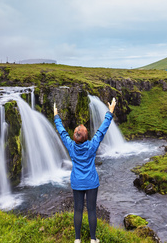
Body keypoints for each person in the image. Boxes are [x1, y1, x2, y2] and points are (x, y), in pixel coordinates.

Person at [54, 97, 116, 243]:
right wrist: (110, 112)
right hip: (91, 182)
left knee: (78, 209)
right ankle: (93, 239)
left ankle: (77, 239)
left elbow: (62, 132)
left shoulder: (70, 145)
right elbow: (102, 130)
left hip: (77, 181)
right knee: (92, 210)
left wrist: (56, 116)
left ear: (75, 137)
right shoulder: (92, 145)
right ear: (87, 136)